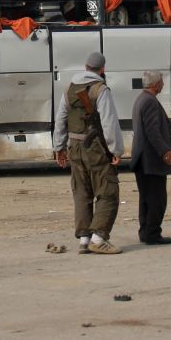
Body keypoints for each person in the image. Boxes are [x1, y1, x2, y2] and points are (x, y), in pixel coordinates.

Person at [53, 51, 125, 254]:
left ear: (85, 67)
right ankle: (98, 238)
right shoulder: (100, 89)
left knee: (82, 192)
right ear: (102, 69)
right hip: (95, 147)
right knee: (108, 191)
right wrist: (116, 149)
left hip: (74, 147)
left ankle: (84, 240)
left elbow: (61, 120)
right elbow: (109, 122)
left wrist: (59, 147)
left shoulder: (69, 88)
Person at [129, 71, 171, 245]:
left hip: (143, 160)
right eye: (161, 82)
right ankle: (153, 234)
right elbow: (152, 131)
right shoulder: (149, 102)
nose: (163, 84)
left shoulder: (141, 99)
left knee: (146, 199)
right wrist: (165, 151)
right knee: (157, 200)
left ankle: (146, 233)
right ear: (156, 85)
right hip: (150, 161)